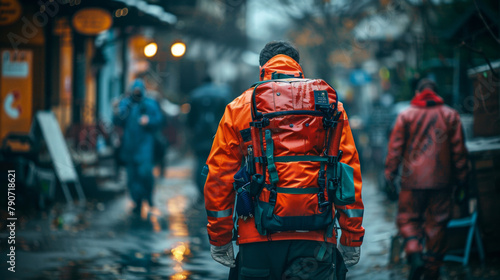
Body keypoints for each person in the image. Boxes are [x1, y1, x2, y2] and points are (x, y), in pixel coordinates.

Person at [204, 41, 364, 279]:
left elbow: (219, 176)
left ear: (262, 68)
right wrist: (351, 237)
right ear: (298, 66)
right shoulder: (331, 107)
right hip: (316, 235)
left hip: (257, 236)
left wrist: (220, 238)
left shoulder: (240, 107)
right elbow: (347, 173)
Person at [385, 79, 469, 279]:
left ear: (417, 92)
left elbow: (395, 149)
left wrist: (390, 176)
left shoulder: (405, 115)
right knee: (437, 224)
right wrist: (462, 181)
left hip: (411, 181)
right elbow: (459, 152)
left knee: (407, 219)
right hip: (441, 181)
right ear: (437, 93)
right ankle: (432, 269)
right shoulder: (450, 115)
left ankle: (414, 253)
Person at [113, 79, 163, 214]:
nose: (136, 94)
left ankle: (148, 196)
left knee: (145, 173)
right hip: (129, 146)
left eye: (138, 92)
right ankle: (137, 201)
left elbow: (159, 120)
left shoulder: (150, 104)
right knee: (132, 177)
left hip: (145, 146)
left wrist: (149, 121)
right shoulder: (126, 104)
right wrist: (117, 111)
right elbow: (117, 121)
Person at [187, 76, 231, 194]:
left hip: (200, 135)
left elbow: (190, 119)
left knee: (201, 161)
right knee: (217, 162)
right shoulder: (221, 94)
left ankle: (202, 189)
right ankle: (216, 188)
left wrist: (193, 131)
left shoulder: (195, 94)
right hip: (217, 134)